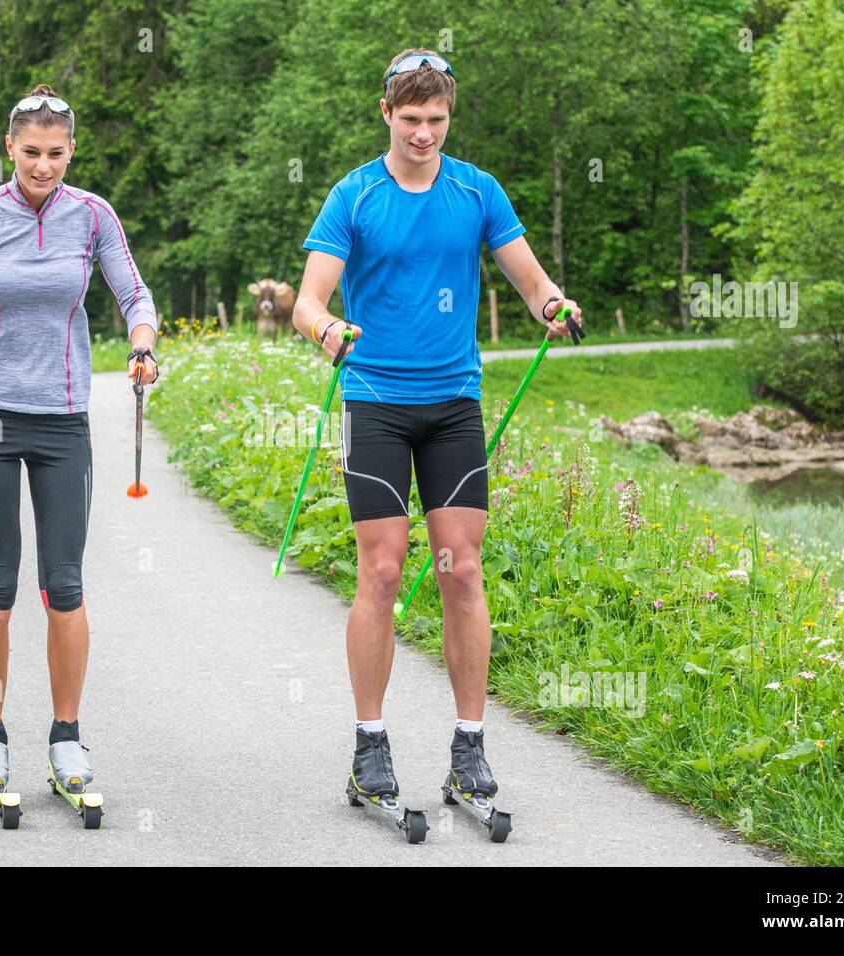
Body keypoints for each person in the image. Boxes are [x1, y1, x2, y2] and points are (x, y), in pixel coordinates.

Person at [291, 50, 584, 807]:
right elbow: (308, 300)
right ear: (386, 114)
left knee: (462, 571)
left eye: (437, 120)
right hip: (374, 400)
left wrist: (553, 307)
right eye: (411, 119)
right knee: (382, 572)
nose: (424, 133)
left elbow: (530, 280)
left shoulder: (475, 190)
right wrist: (326, 329)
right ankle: (370, 748)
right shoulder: (353, 196)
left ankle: (468, 750)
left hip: (453, 402)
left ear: (449, 118)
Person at [0, 83, 160, 802]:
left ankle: (66, 739)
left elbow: (135, 297)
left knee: (65, 586)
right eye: (31, 153)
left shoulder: (93, 217)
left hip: (62, 421)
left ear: (71, 151)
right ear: (9, 149)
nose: (44, 166)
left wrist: (142, 345)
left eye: (56, 154)